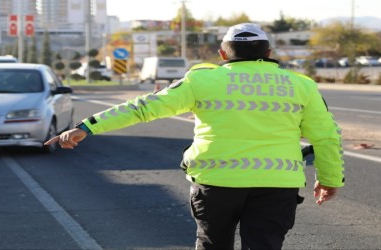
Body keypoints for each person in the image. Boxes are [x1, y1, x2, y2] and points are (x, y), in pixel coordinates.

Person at [45, 23, 344, 250]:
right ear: (268, 54)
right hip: (277, 186)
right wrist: (329, 179)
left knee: (213, 244)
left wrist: (86, 127)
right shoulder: (301, 86)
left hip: (216, 182)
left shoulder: (202, 79)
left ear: (223, 54)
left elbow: (142, 109)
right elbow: (327, 136)